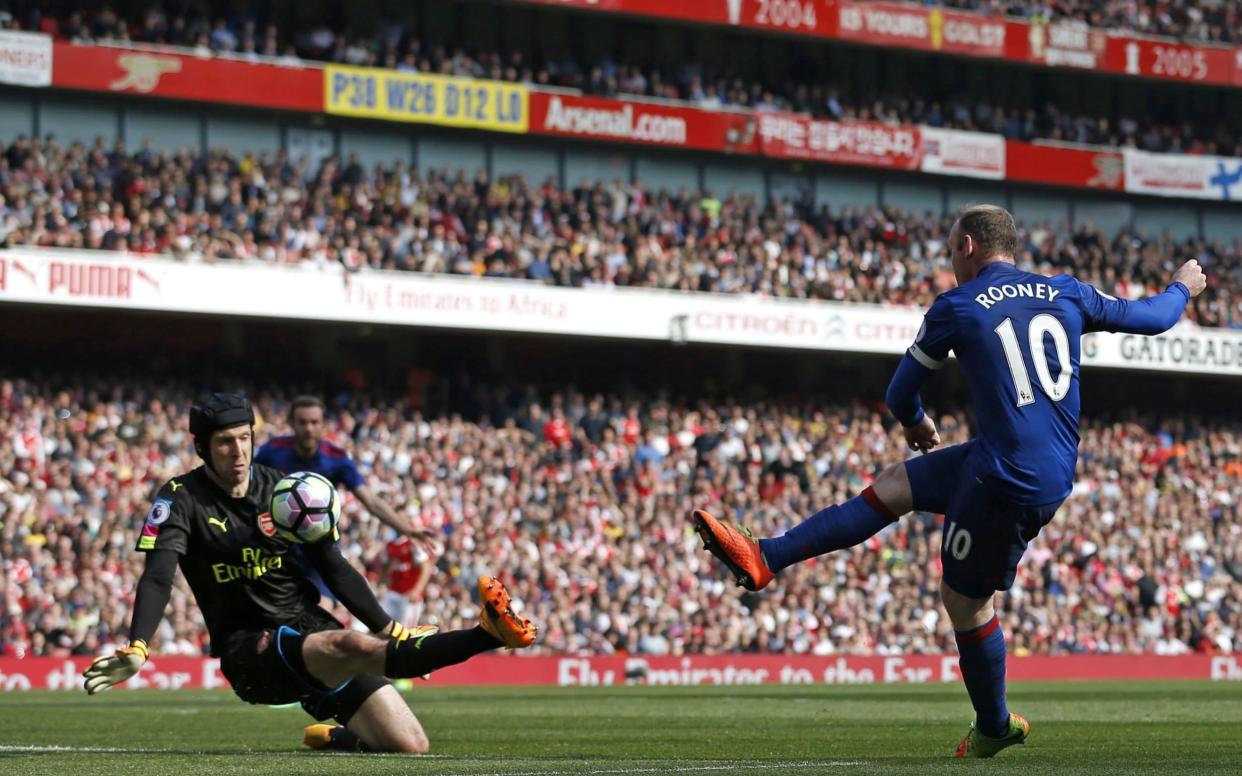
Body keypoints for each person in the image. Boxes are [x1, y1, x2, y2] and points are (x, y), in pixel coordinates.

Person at [692, 205, 1206, 758]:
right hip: (1032, 462)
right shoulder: (1066, 292)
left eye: (949, 252)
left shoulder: (957, 305)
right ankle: (767, 555)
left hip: (1006, 477)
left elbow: (899, 395)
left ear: (966, 246)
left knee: (963, 601)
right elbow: (1155, 318)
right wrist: (1181, 285)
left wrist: (917, 423)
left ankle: (993, 724)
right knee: (895, 485)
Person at [83, 393, 537, 753]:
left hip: (307, 624)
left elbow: (332, 566)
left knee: (409, 745)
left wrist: (390, 626)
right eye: (224, 441)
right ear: (202, 446)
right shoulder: (179, 499)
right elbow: (158, 577)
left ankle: (332, 736)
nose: (237, 450)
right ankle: (490, 634)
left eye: (244, 437)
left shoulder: (282, 490)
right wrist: (139, 645)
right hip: (251, 650)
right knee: (352, 644)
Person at [255, 395, 433, 541]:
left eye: (314, 422)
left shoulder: (337, 457)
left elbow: (370, 500)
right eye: (302, 422)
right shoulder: (271, 450)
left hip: (321, 544)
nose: (308, 428)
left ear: (323, 424)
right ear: (292, 423)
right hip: (278, 542)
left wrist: (407, 530)